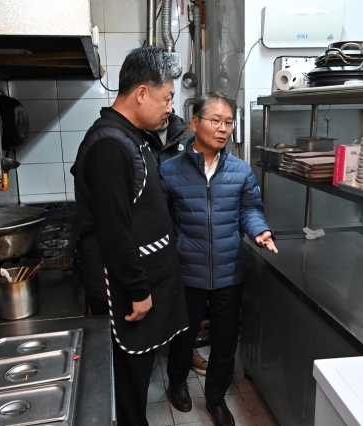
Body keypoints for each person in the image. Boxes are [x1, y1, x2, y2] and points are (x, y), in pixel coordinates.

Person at [71, 46, 188, 426]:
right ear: (141, 93)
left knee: (136, 382)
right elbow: (114, 230)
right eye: (167, 97)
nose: (170, 107)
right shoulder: (109, 145)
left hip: (145, 279)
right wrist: (137, 289)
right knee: (127, 385)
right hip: (124, 289)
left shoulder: (132, 135)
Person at [159, 92, 277, 426]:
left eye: (228, 122)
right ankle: (178, 382)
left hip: (228, 271)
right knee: (184, 333)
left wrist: (259, 230)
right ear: (194, 123)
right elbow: (162, 222)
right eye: (215, 120)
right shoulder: (169, 171)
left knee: (226, 339)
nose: (223, 129)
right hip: (186, 271)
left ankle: (215, 398)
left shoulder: (240, 171)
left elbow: (250, 209)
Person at [144, 110, 210, 376]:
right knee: (150, 298)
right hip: (148, 233)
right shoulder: (135, 133)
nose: (168, 105)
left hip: (182, 236)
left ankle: (186, 350)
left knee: (184, 305)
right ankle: (147, 355)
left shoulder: (185, 135)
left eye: (171, 97)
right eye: (165, 96)